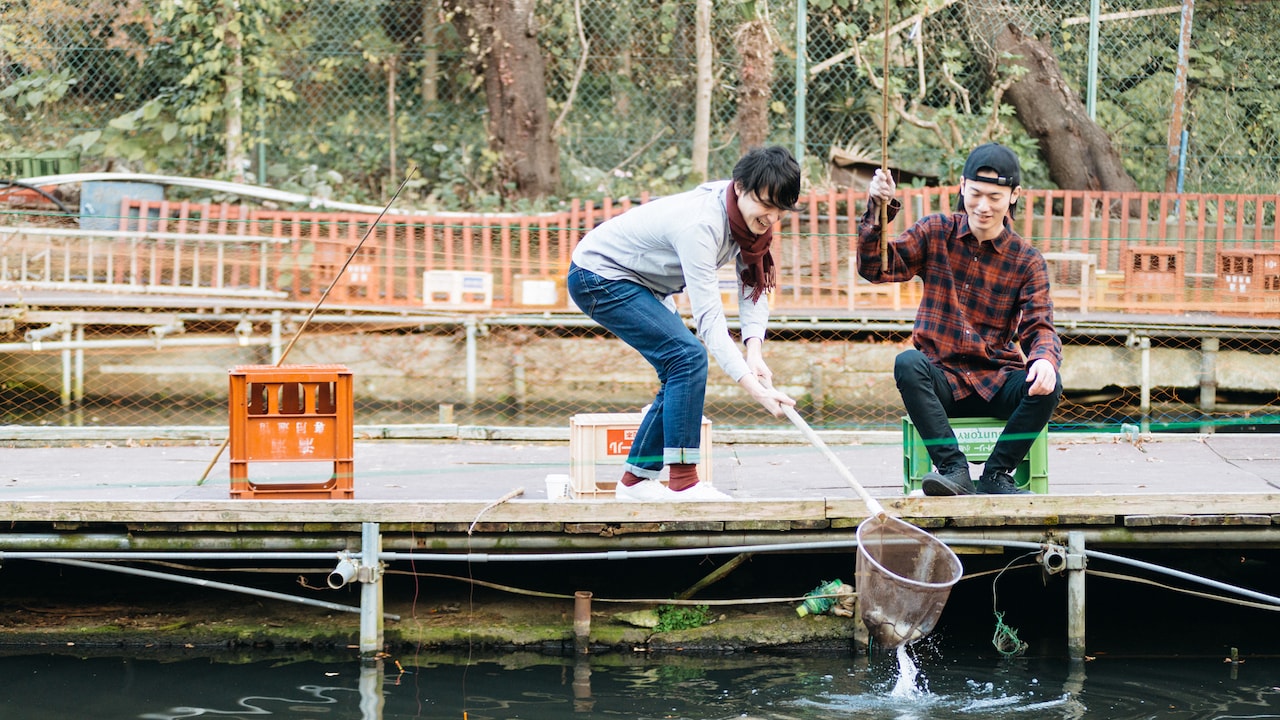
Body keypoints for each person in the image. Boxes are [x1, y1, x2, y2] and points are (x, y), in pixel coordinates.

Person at [567, 145, 800, 502]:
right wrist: (754, 389)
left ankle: (635, 482)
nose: (771, 217)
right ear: (739, 187)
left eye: (779, 210)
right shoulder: (701, 225)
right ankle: (684, 482)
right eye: (765, 205)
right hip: (598, 275)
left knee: (679, 366)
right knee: (687, 358)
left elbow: (753, 288)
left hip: (645, 283)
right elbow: (709, 320)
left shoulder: (750, 226)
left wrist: (755, 353)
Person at [858, 143, 1063, 495]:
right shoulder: (935, 231)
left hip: (996, 378)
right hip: (942, 377)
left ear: (1014, 196)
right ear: (962, 187)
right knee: (908, 363)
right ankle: (954, 470)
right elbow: (874, 268)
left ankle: (998, 475)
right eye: (976, 194)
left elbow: (1039, 324)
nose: (983, 206)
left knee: (1049, 382)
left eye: (995, 197)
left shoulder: (1027, 260)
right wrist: (878, 208)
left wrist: (1045, 359)